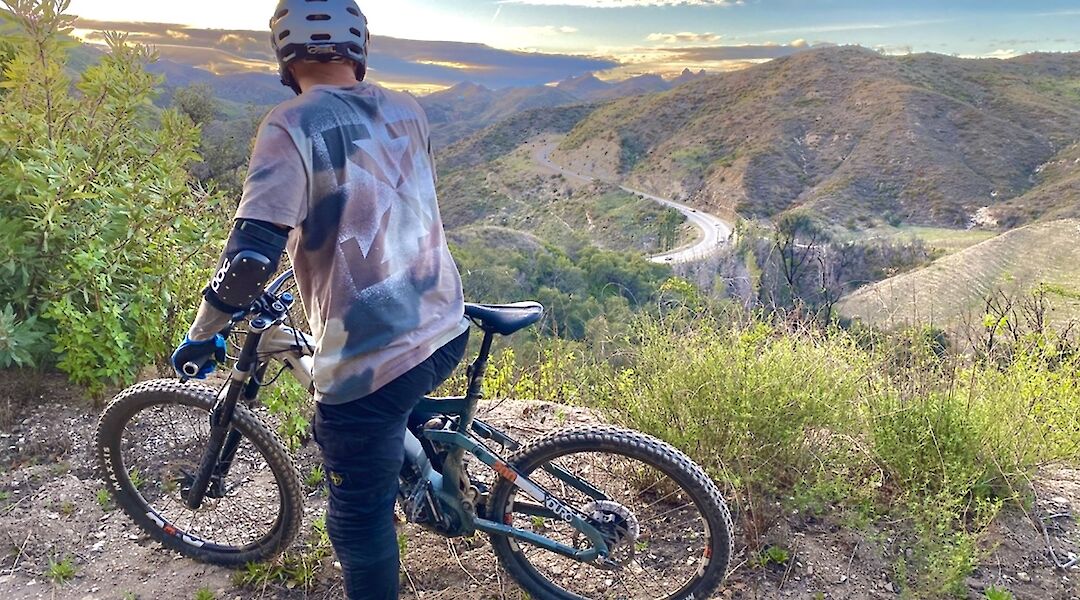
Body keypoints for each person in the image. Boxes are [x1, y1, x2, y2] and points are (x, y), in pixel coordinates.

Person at [169, 1, 469, 598]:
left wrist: (204, 332)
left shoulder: (290, 125)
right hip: (444, 320)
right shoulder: (409, 109)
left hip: (373, 358)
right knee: (398, 413)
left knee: (357, 521)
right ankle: (437, 485)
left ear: (284, 53)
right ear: (360, 48)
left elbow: (252, 258)